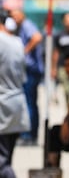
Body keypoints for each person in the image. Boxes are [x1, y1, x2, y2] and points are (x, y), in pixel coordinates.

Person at [0, 9, 30, 177]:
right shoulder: (17, 42)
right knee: (7, 158)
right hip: (16, 106)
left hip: (2, 107)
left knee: (2, 165)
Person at [10, 8, 44, 146]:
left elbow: (37, 37)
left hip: (31, 71)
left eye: (15, 15)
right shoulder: (22, 27)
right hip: (29, 71)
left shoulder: (27, 25)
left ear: (22, 14)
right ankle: (30, 134)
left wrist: (23, 52)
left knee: (29, 104)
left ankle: (28, 135)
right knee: (30, 103)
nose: (14, 19)